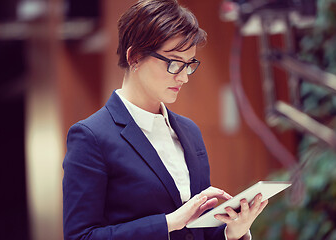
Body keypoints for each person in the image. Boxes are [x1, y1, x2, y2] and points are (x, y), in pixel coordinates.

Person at [62, 0, 268, 239]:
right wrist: (169, 222)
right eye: (174, 63)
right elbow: (81, 236)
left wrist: (232, 232)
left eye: (189, 65)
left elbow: (197, 230)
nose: (183, 78)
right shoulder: (91, 136)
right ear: (134, 57)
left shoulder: (189, 131)